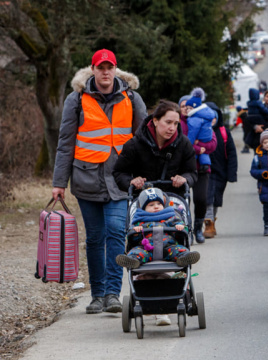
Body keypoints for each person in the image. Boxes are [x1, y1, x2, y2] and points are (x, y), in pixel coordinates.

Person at [51, 49, 147, 314]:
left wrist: (146, 174)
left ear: (116, 69)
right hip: (86, 178)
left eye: (110, 67)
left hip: (120, 179)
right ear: (92, 70)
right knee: (95, 238)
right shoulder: (76, 99)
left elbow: (143, 140)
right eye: (100, 67)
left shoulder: (132, 98)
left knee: (116, 232)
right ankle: (97, 294)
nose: (105, 72)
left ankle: (113, 294)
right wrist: (59, 182)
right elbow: (65, 143)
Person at [113, 99, 197, 196]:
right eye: (168, 122)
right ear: (155, 121)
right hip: (143, 200)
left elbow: (192, 173)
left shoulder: (184, 143)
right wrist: (131, 182)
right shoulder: (134, 144)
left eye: (176, 123)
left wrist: (185, 179)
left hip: (174, 200)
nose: (172, 128)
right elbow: (119, 172)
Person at [115, 188, 201, 269]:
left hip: (168, 247)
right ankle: (133, 260)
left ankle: (183, 258)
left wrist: (180, 228)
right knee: (136, 251)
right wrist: (136, 231)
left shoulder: (170, 216)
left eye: (159, 204)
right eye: (151, 205)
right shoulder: (139, 220)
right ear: (143, 208)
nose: (156, 207)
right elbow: (132, 238)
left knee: (180, 249)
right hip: (146, 249)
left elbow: (182, 232)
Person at [179, 90, 217, 244]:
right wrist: (195, 148)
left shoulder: (202, 120)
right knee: (182, 201)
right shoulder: (177, 124)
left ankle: (197, 228)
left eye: (187, 107)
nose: (186, 109)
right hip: (183, 168)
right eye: (182, 107)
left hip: (201, 168)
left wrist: (199, 145)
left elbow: (212, 143)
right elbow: (181, 143)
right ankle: (184, 230)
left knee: (201, 199)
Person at [205, 102, 238, 238]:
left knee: (216, 199)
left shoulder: (224, 132)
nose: (212, 119)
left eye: (214, 116)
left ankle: (212, 221)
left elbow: (231, 153)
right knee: (208, 198)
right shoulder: (201, 131)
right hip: (205, 171)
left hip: (221, 172)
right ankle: (208, 223)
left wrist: (231, 173)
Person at [185, 88, 216, 170]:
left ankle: (193, 162)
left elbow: (192, 132)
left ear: (195, 107)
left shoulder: (194, 118)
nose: (187, 110)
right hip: (207, 138)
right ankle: (205, 164)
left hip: (199, 138)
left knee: (195, 154)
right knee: (204, 153)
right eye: (186, 108)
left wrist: (189, 142)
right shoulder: (205, 115)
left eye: (189, 108)